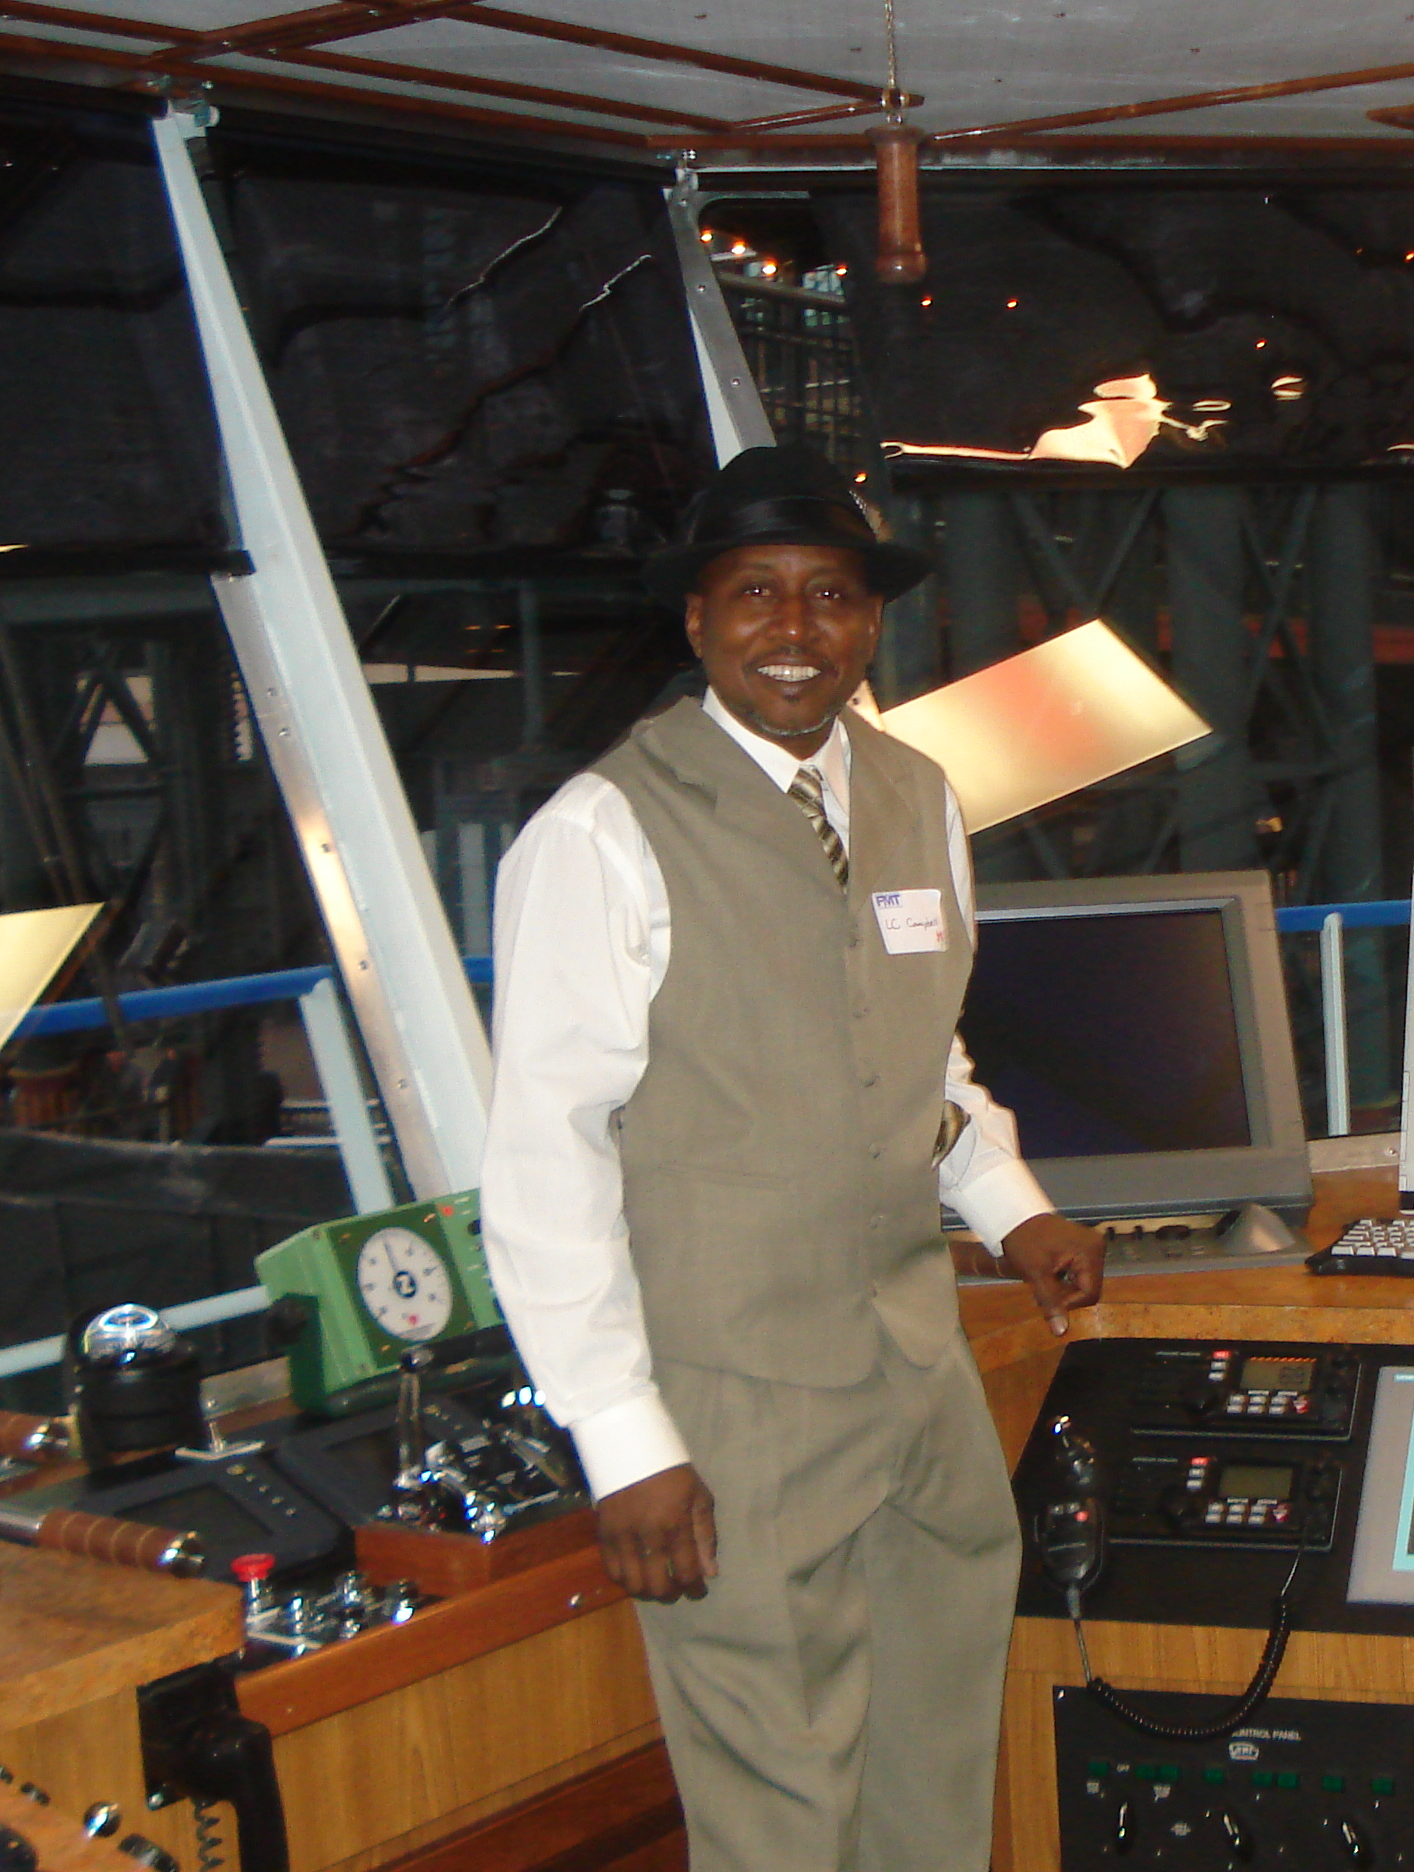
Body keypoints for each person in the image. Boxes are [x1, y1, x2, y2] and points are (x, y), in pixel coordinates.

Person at [479, 444, 1107, 1872]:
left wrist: (1011, 1207)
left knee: (934, 1759)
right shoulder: (599, 833)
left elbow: (916, 1055)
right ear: (695, 620)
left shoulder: (915, 794)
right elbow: (543, 1164)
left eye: (831, 594)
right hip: (732, 1395)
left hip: (910, 1364)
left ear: (870, 622)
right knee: (779, 1804)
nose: (795, 629)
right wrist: (625, 1440)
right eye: (754, 593)